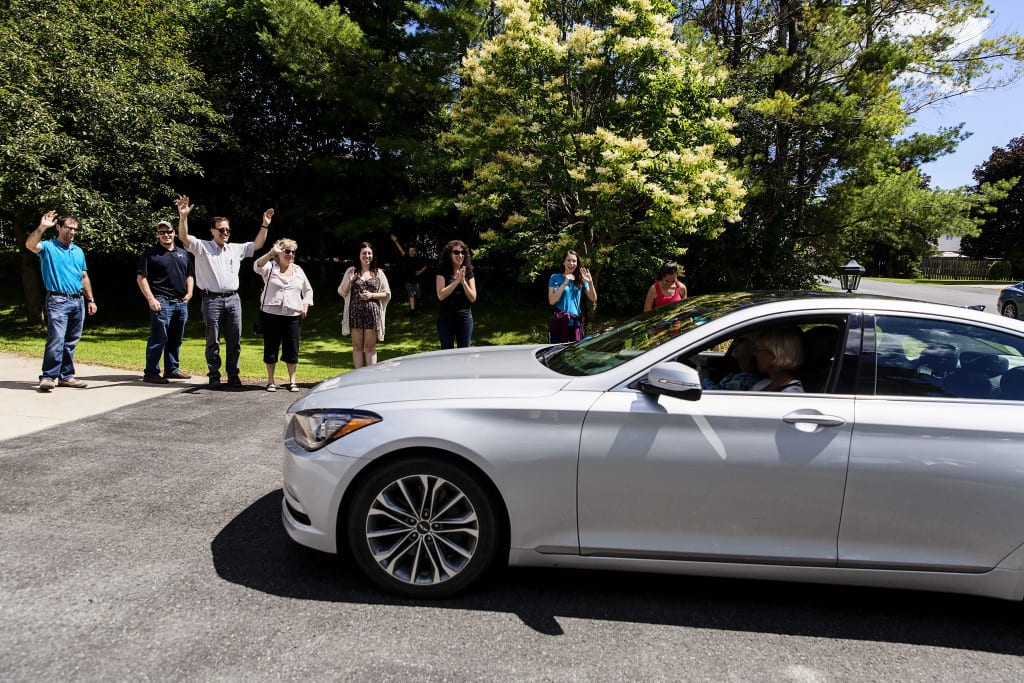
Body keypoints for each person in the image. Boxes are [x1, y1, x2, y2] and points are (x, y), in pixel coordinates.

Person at [176, 195, 272, 388]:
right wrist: (183, 217)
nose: (225, 233)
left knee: (234, 340)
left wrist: (265, 225)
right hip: (211, 299)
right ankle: (214, 375)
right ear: (213, 231)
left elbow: (258, 245)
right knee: (213, 340)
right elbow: (183, 237)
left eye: (227, 230)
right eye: (221, 230)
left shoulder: (234, 249)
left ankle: (233, 375)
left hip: (233, 299)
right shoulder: (203, 247)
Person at [25, 211, 98, 392]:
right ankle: (48, 376)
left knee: (71, 341)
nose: (71, 232)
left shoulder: (78, 251)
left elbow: (84, 276)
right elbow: (29, 245)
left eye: (74, 229)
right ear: (58, 227)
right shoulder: (49, 247)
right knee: (56, 339)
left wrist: (91, 299)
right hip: (57, 299)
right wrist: (42, 227)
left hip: (77, 301)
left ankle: (66, 376)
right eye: (68, 228)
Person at [136, 220, 195, 384]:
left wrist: (190, 293)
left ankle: (172, 369)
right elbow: (141, 277)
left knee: (176, 338)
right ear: (157, 235)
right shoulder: (150, 254)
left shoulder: (183, 253)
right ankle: (151, 372)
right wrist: (151, 299)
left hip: (181, 302)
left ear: (174, 233)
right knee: (158, 337)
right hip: (161, 301)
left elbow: (190, 275)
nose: (166, 235)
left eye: (169, 231)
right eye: (162, 232)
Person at [254, 239, 314, 392]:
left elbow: (308, 290)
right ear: (279, 254)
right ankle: (271, 381)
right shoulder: (270, 267)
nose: (290, 254)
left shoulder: (299, 270)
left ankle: (292, 380)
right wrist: (271, 253)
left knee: (292, 348)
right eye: (287, 251)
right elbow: (257, 266)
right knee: (271, 347)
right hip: (271, 313)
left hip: (293, 314)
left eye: (293, 252)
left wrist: (305, 305)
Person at [339, 242, 391, 368]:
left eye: (369, 253)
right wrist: (350, 281)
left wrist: (372, 295)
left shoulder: (378, 273)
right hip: (355, 313)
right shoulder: (351, 271)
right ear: (359, 255)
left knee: (370, 347)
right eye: (364, 253)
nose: (367, 256)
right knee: (357, 347)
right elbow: (342, 291)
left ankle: (371, 377)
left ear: (372, 255)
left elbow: (387, 293)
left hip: (372, 314)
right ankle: (358, 376)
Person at [435, 239, 477, 349]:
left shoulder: (468, 272)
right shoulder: (442, 272)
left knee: (464, 353)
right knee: (447, 352)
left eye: (462, 252)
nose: (460, 255)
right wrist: (456, 281)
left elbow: (473, 298)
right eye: (456, 252)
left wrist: (463, 282)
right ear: (449, 254)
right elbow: (441, 295)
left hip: (465, 318)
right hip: (446, 318)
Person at [548, 249, 596, 343]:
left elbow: (593, 298)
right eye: (569, 260)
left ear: (577, 263)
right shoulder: (555, 277)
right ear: (563, 262)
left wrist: (590, 283)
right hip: (560, 323)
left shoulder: (581, 279)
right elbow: (552, 301)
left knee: (574, 353)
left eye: (574, 261)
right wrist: (565, 283)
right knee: (557, 353)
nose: (571, 263)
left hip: (575, 323)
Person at [750, 327, 805, 392]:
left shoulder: (791, 392)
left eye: (758, 350)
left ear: (773, 355)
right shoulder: (763, 383)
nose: (755, 354)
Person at [390, 234, 428, 314]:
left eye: (413, 251)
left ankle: (414, 308)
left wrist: (420, 271)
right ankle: (412, 310)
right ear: (408, 251)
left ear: (415, 251)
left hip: (417, 280)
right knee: (411, 295)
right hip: (408, 280)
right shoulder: (406, 256)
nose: (411, 252)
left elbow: (426, 266)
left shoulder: (418, 258)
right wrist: (395, 241)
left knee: (417, 296)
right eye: (410, 251)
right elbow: (400, 250)